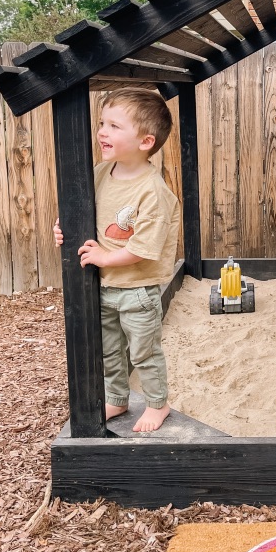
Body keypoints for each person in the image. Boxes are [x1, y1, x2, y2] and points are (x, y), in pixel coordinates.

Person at [53, 86, 180, 433]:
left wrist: (104, 257)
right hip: (104, 286)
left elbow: (142, 248)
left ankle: (158, 404)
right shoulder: (98, 173)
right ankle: (117, 398)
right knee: (109, 351)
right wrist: (64, 229)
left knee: (143, 354)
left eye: (113, 126)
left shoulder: (152, 191)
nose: (102, 132)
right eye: (101, 123)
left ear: (145, 142)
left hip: (137, 290)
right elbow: (80, 213)